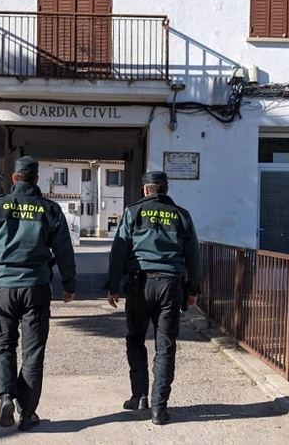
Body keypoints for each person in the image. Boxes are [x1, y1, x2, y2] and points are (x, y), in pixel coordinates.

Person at [0, 156, 76, 431]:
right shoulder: (49, 209)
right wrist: (69, 284)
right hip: (36, 287)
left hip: (5, 287)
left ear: (14, 177)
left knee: (4, 345)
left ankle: (6, 395)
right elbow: (64, 250)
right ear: (36, 179)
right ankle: (27, 414)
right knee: (33, 352)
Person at [107, 170, 201, 426]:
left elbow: (119, 250)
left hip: (139, 284)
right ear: (165, 189)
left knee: (136, 339)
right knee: (166, 346)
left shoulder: (133, 212)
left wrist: (113, 285)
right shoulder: (182, 215)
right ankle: (159, 408)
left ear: (146, 190)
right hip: (171, 286)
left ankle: (139, 397)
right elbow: (193, 254)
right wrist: (193, 289)